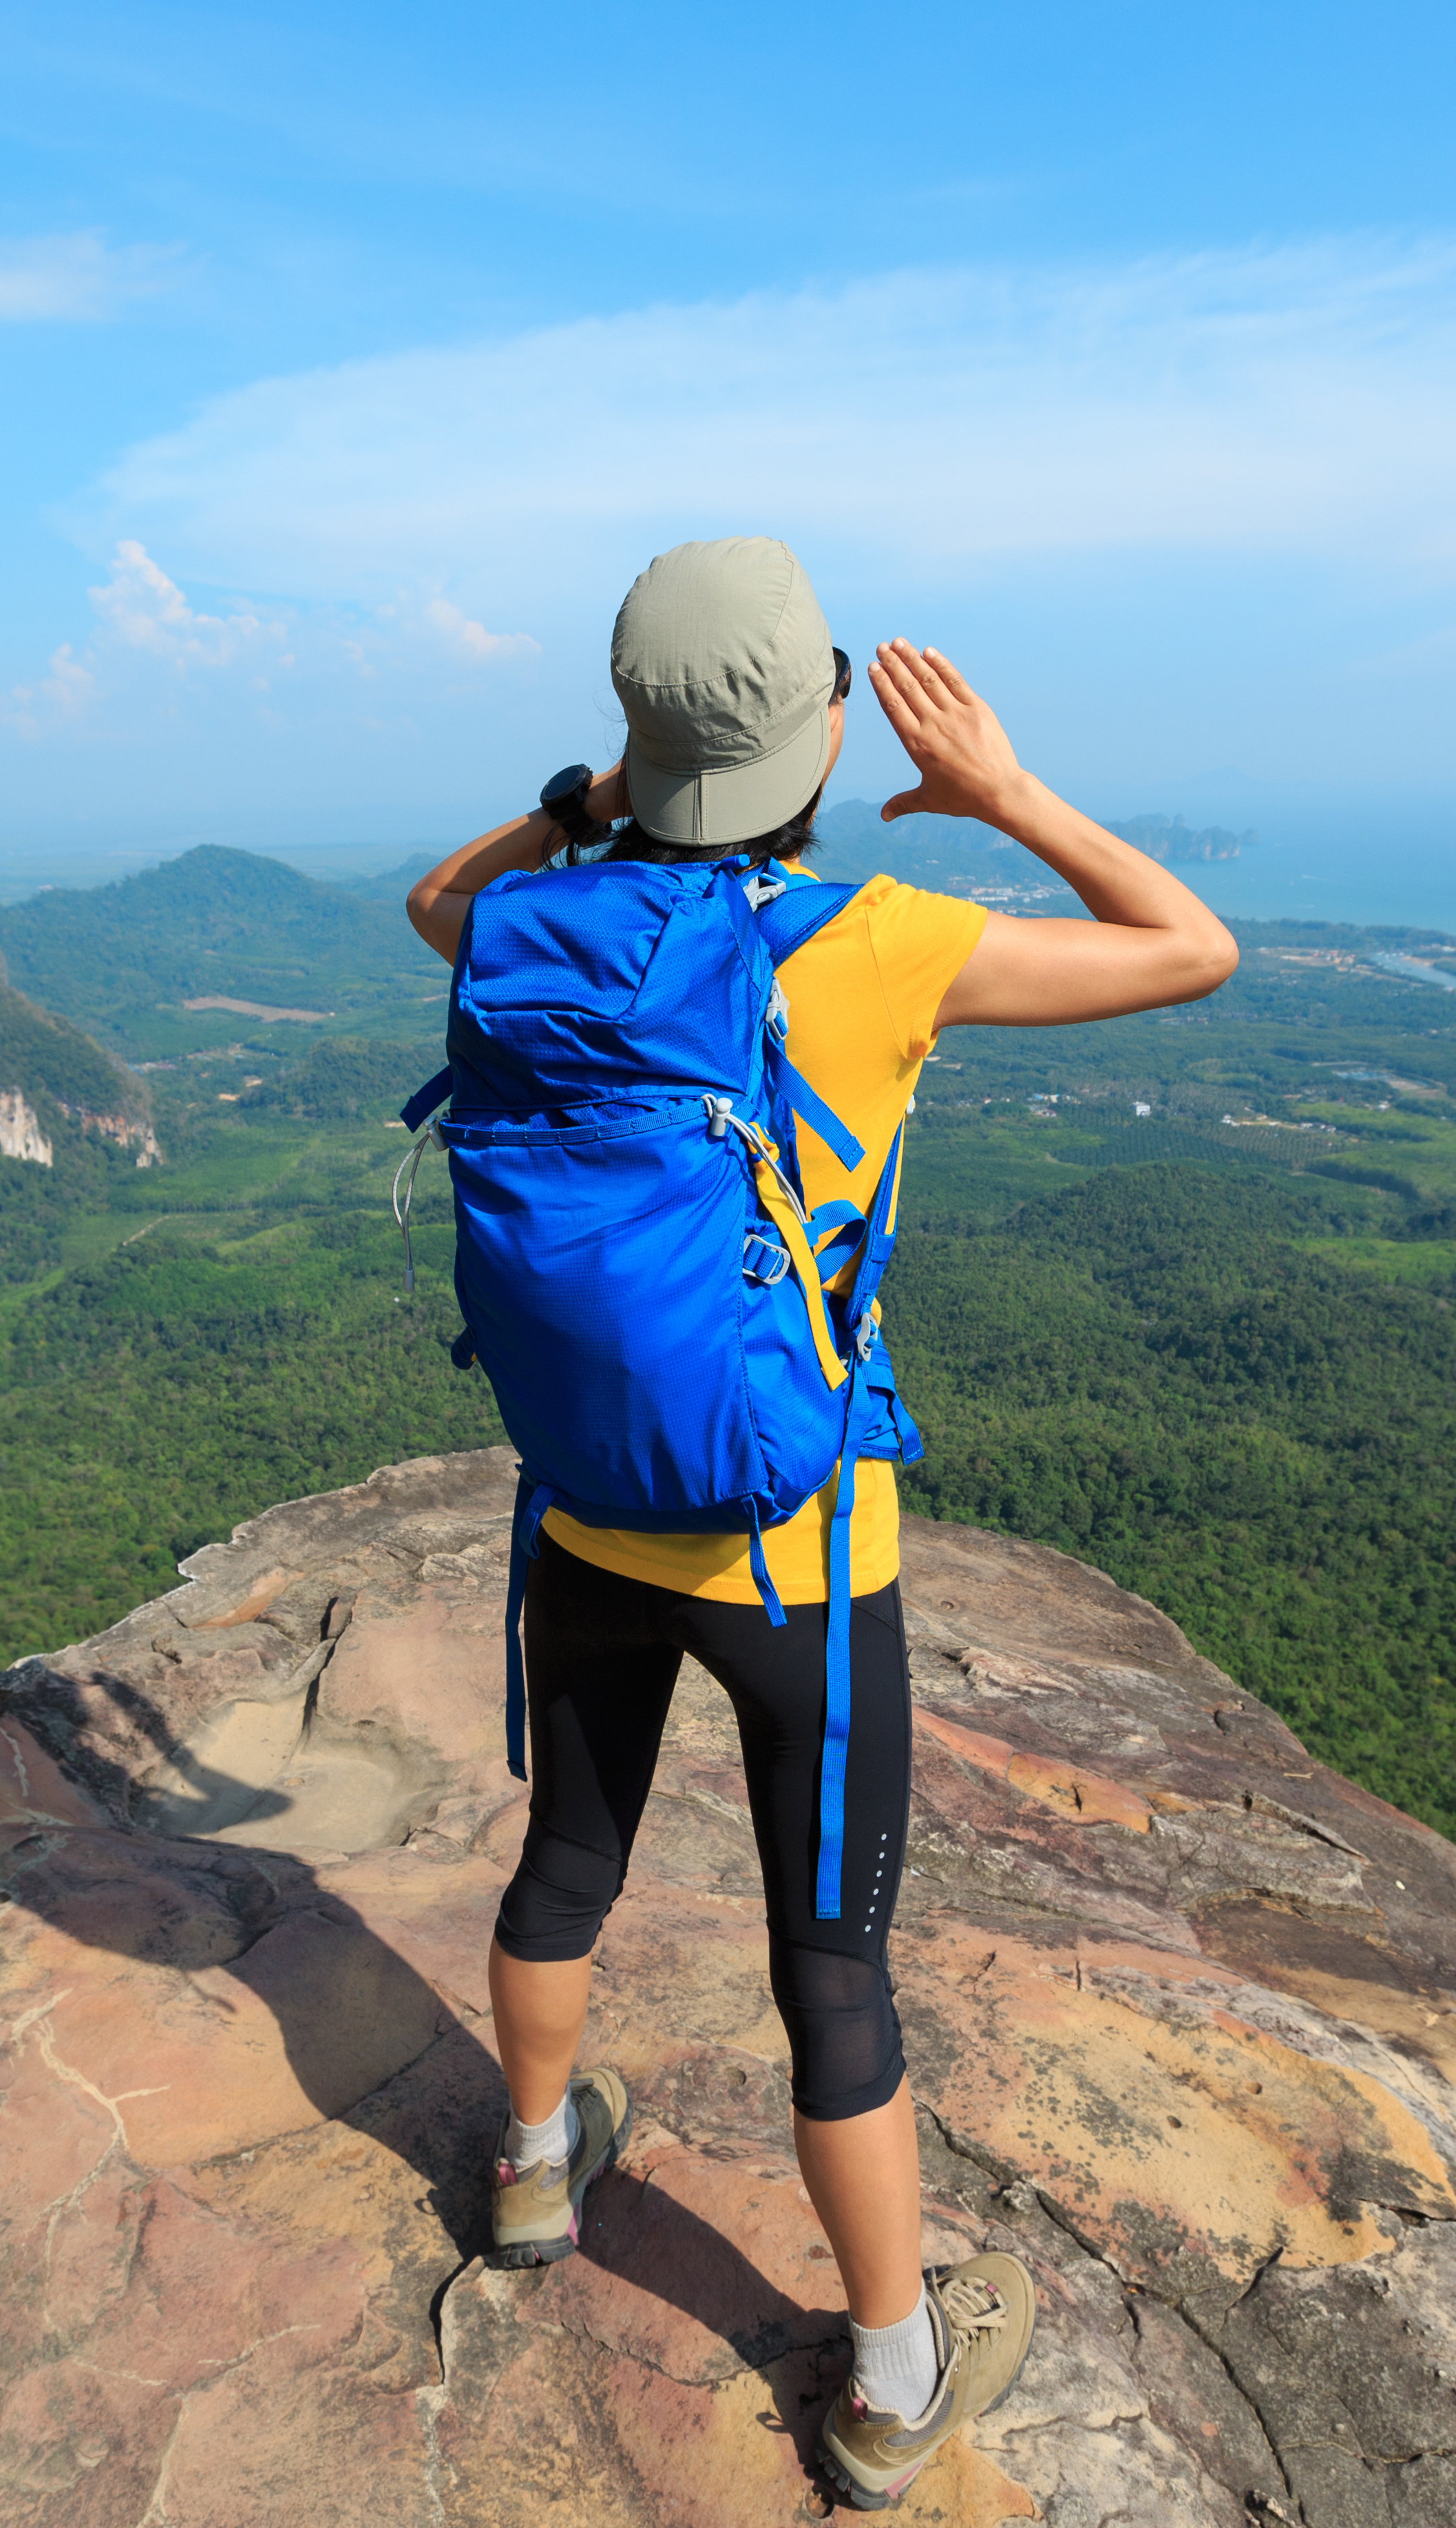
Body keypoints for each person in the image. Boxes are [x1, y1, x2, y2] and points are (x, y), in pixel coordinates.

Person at [403, 536, 1234, 2509]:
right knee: (832, 1971)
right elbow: (1188, 947)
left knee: (569, 1856)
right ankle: (889, 2380)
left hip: (590, 1519)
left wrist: (586, 802)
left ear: (636, 736)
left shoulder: (537, 923)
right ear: (825, 731)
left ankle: (531, 2171)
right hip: (799, 1561)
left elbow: (435, 902)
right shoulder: (872, 940)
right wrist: (1006, 794)